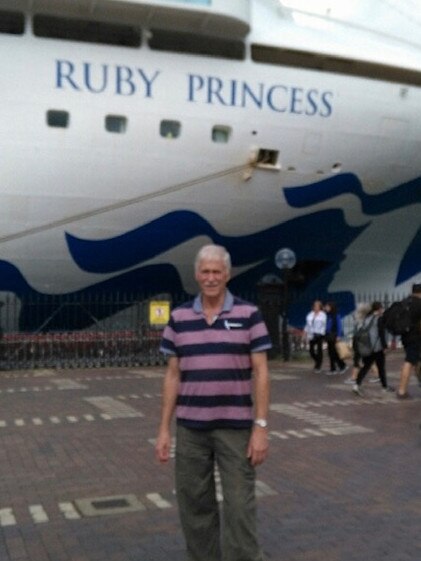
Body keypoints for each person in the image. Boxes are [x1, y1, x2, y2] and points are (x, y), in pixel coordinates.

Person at [155, 244, 271, 561]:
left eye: (216, 272)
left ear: (227, 274)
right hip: (191, 429)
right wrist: (164, 429)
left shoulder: (249, 315)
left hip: (235, 429)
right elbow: (172, 375)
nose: (210, 278)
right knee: (194, 505)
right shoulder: (179, 318)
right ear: (196, 275)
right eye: (205, 272)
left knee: (239, 506)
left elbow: (261, 372)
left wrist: (260, 427)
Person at [352, 301, 393, 396]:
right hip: (377, 348)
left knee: (366, 366)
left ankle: (356, 384)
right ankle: (384, 386)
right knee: (381, 367)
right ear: (378, 309)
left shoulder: (366, 318)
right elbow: (381, 334)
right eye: (381, 308)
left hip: (367, 347)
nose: (382, 310)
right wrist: (385, 346)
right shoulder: (379, 319)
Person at [396, 283, 421, 399]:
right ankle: (402, 391)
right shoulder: (419, 304)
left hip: (405, 336)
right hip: (416, 337)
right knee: (410, 361)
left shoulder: (404, 302)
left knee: (416, 360)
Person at [324, 301, 347, 375]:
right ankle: (335, 367)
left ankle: (340, 366)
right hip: (328, 335)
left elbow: (339, 326)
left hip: (334, 335)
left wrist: (339, 335)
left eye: (327, 306)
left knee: (334, 352)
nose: (326, 308)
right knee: (331, 352)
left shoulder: (336, 315)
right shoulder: (327, 315)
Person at [304, 300, 326, 373]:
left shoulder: (323, 315)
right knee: (311, 351)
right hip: (311, 334)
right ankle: (318, 361)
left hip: (319, 334)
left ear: (320, 307)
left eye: (317, 306)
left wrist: (322, 333)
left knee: (319, 350)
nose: (315, 307)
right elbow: (307, 324)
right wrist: (305, 333)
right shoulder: (310, 314)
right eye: (314, 306)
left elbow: (324, 325)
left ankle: (318, 366)